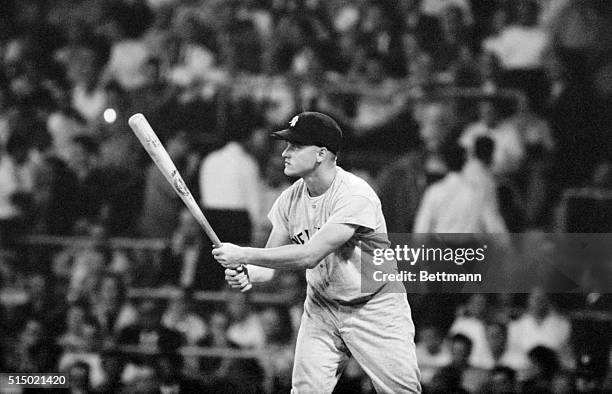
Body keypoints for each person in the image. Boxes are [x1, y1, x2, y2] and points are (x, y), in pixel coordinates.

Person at [213, 112, 421, 393]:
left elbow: (309, 255)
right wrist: (247, 273)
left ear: (322, 153)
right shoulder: (290, 199)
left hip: (374, 307)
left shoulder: (355, 195)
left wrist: (243, 255)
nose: (285, 153)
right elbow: (267, 267)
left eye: (296, 146)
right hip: (322, 307)